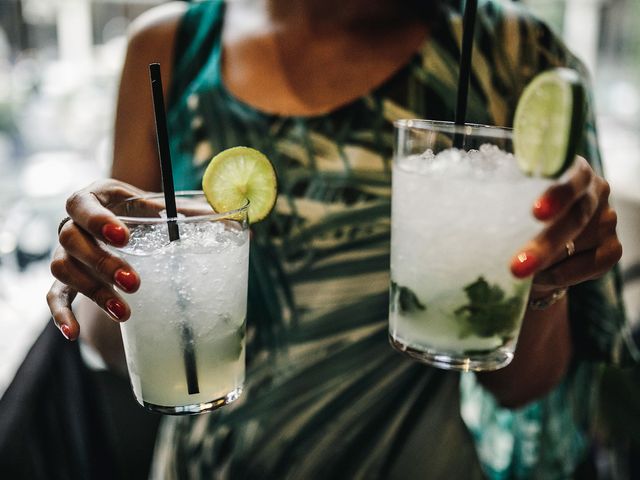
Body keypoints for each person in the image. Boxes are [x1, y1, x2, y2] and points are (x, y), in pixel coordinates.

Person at [46, 0, 633, 478]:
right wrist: (96, 265)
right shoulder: (168, 43)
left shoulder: (514, 55)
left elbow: (521, 387)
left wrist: (546, 277)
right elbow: (110, 346)